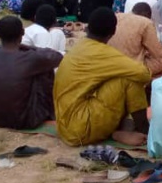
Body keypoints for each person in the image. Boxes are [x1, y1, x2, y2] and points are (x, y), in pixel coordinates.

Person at [55, 8, 151, 146]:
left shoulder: (78, 46)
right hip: (81, 129)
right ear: (113, 32)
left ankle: (124, 129)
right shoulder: (104, 53)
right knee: (130, 78)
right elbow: (144, 75)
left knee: (122, 75)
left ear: (87, 28)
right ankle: (144, 131)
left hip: (65, 126)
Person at [0, 16, 63, 129]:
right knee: (46, 69)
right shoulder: (31, 57)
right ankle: (49, 111)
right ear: (22, 32)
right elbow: (58, 57)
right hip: (25, 120)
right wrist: (29, 48)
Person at [108, 2, 162, 75]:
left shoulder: (117, 16)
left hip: (111, 63)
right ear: (147, 15)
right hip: (132, 67)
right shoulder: (146, 22)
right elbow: (159, 53)